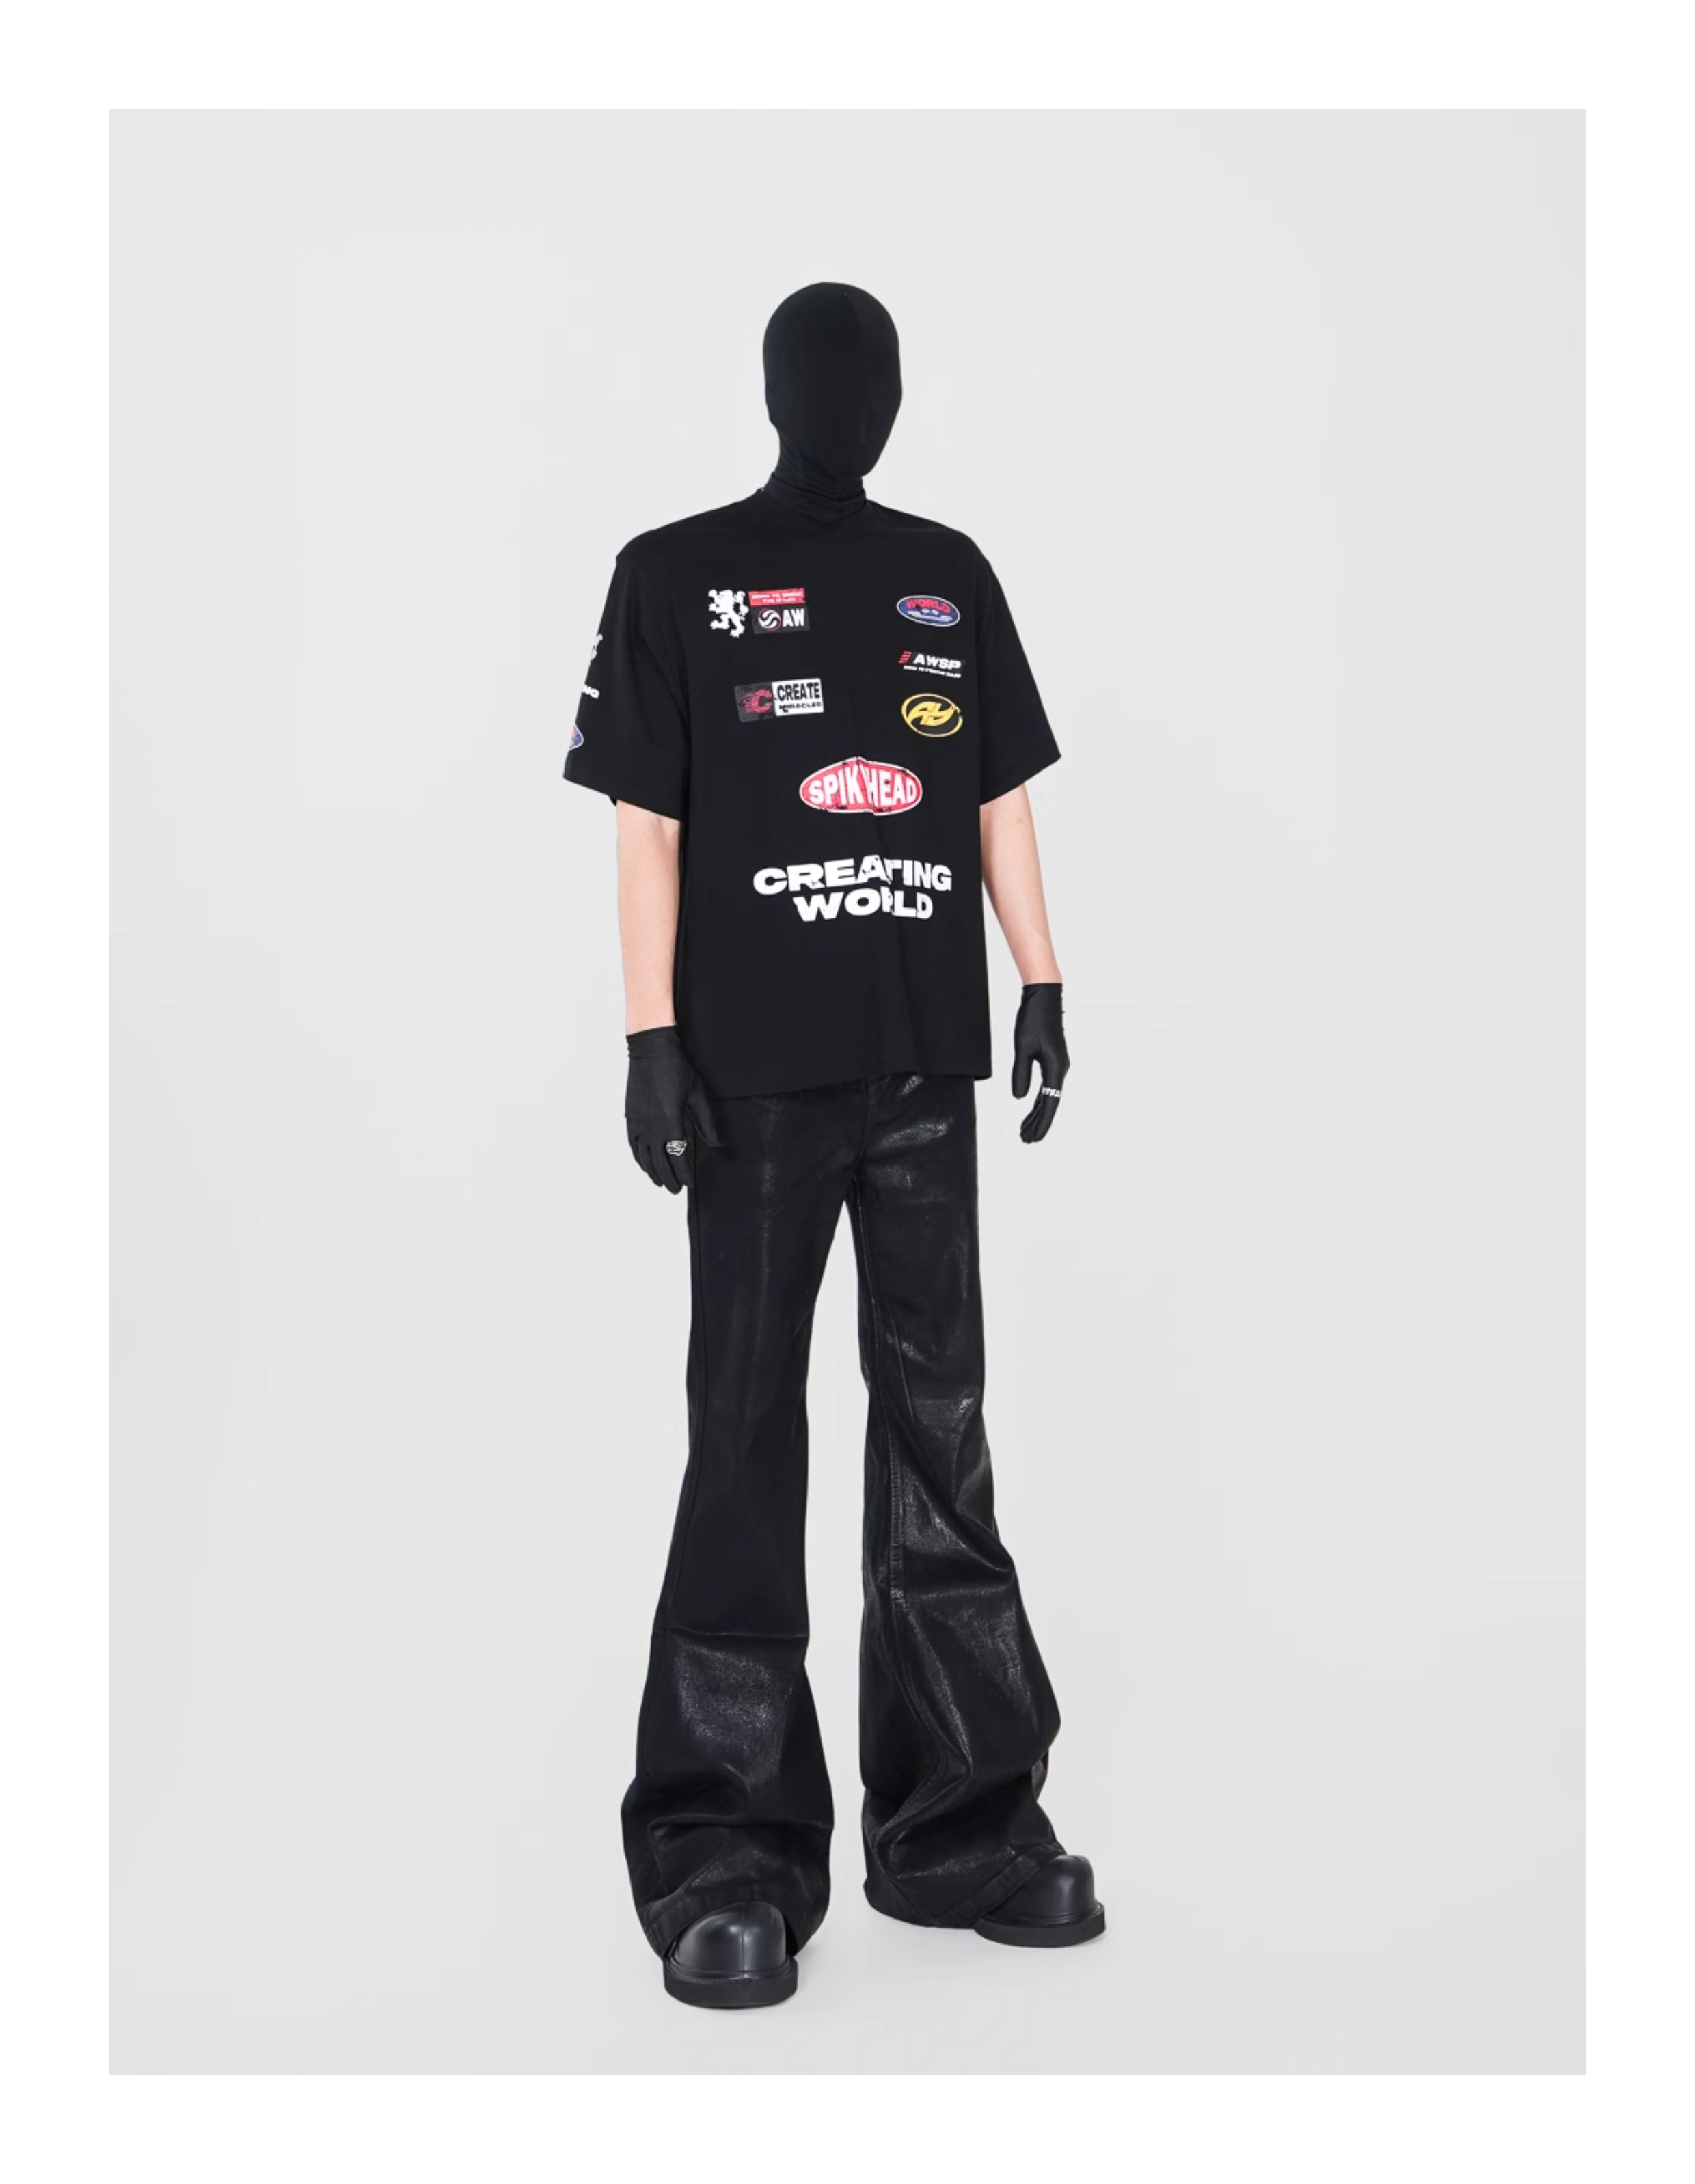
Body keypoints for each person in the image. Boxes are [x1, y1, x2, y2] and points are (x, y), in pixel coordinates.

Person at [564, 282, 1102, 2009]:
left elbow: (996, 789)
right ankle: (723, 1847)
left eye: (874, 379)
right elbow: (647, 823)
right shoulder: (678, 574)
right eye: (826, 374)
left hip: (921, 1069)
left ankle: (961, 1821)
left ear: (893, 402)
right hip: (753, 1078)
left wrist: (1040, 975)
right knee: (743, 1427)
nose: (851, 402)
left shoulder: (949, 574)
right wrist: (649, 1038)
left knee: (940, 1425)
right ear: (778, 392)